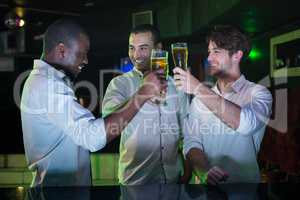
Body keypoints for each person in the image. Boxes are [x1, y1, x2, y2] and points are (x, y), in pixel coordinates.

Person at [20, 19, 166, 187]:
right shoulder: (47, 84)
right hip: (56, 191)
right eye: (82, 53)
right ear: (61, 50)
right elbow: (93, 137)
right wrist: (143, 93)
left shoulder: (49, 81)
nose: (86, 61)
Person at [174, 25, 273, 184]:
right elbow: (191, 143)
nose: (209, 58)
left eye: (216, 52)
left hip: (244, 192)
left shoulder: (259, 93)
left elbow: (246, 124)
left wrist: (198, 88)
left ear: (237, 55)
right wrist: (204, 172)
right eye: (209, 52)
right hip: (205, 192)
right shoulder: (200, 99)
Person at [102, 24, 190, 185]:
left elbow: (187, 131)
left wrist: (188, 170)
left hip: (173, 181)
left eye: (143, 48)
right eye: (131, 48)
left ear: (158, 49)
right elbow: (107, 125)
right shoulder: (119, 84)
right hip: (135, 182)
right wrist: (144, 91)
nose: (136, 55)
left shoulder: (176, 85)